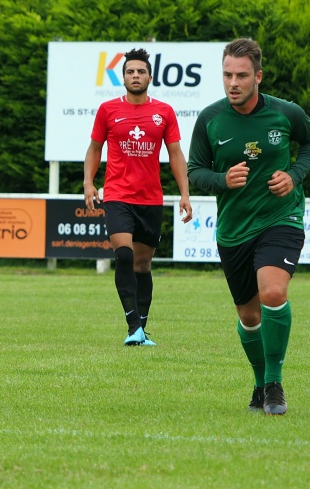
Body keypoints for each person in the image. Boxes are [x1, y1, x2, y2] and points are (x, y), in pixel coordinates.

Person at [188, 38, 310, 415]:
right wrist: (223, 180)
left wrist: (294, 174)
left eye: (241, 75)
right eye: (227, 75)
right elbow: (195, 171)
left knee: (273, 292)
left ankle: (274, 383)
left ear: (258, 76)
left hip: (280, 218)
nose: (233, 83)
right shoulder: (210, 119)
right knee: (249, 316)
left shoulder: (286, 113)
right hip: (234, 229)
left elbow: (308, 148)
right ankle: (259, 385)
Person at [84, 47, 193, 346]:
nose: (135, 75)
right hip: (118, 195)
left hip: (150, 200)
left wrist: (185, 194)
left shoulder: (165, 112)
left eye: (140, 71)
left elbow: (175, 154)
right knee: (124, 255)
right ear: (123, 77)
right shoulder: (108, 110)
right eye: (130, 71)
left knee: (142, 266)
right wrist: (88, 183)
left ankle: (142, 329)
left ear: (150, 76)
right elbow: (94, 149)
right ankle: (133, 327)